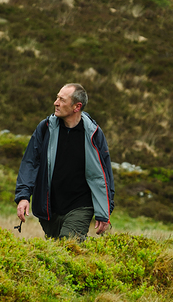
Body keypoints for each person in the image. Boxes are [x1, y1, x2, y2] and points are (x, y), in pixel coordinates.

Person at [14, 83, 115, 240]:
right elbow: (30, 163)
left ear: (76, 106)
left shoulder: (93, 134)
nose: (56, 102)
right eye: (57, 97)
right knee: (55, 253)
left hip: (80, 205)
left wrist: (104, 211)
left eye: (62, 99)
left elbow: (104, 175)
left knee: (69, 245)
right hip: (50, 208)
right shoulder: (45, 128)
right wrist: (23, 196)